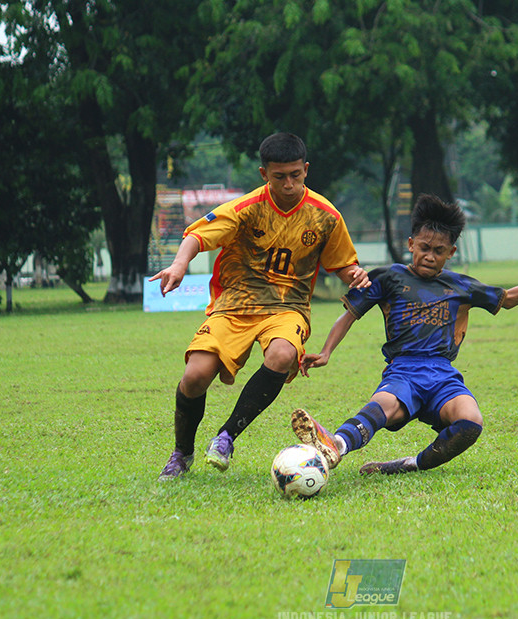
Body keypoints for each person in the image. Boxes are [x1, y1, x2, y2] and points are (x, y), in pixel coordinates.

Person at [287, 193, 518, 475]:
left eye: (438, 251)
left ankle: (407, 465)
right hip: (403, 371)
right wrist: (326, 352)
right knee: (384, 407)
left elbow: (508, 299)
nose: (430, 256)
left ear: (451, 253)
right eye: (424, 248)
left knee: (471, 423)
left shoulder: (461, 285)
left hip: (443, 374)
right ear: (411, 244)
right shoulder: (389, 277)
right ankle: (334, 446)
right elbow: (349, 315)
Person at [149, 132, 370, 479]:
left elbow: (342, 263)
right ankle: (182, 453)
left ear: (306, 170)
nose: (288, 184)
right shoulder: (245, 208)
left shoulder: (326, 215)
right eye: (279, 176)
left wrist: (354, 274)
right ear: (264, 173)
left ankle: (226, 437)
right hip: (236, 302)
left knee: (281, 356)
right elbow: (195, 235)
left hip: (288, 307)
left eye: (295, 175)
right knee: (194, 377)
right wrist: (179, 265)